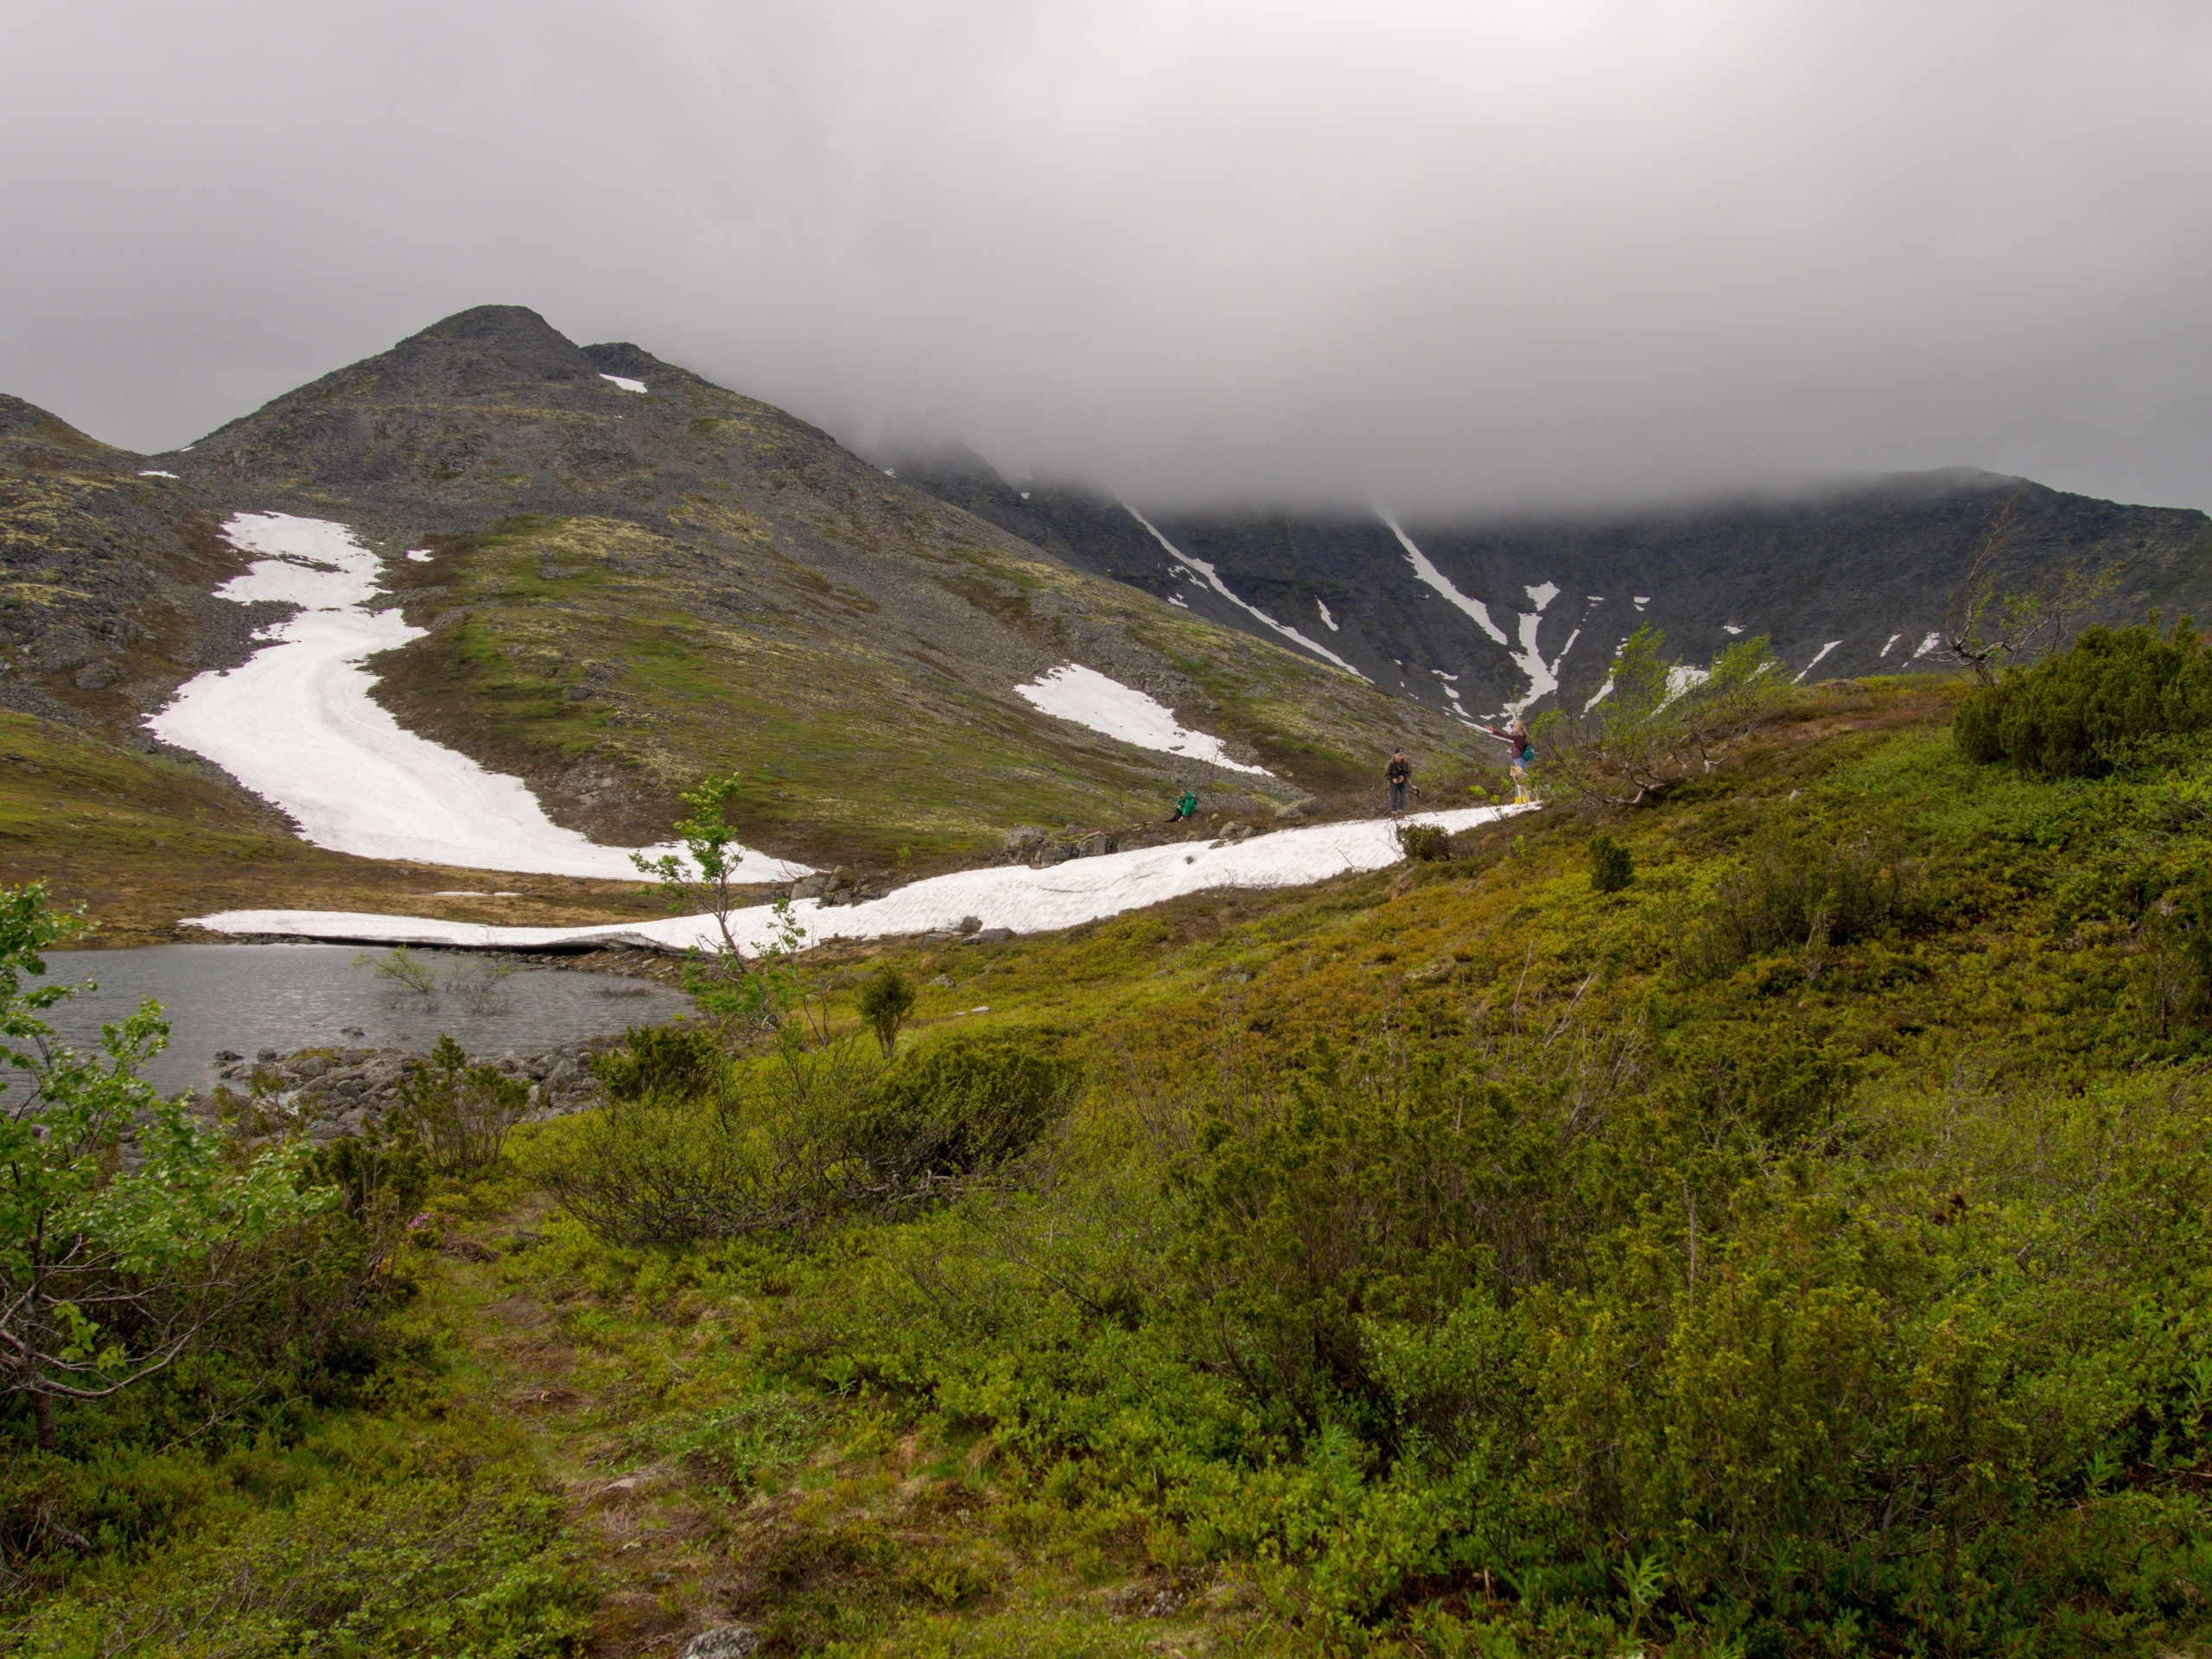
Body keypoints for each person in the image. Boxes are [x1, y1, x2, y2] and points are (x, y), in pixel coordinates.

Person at [1387, 749, 1411, 813]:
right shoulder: (1391, 763)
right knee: (1393, 798)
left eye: (1402, 754)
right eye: (1399, 754)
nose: (1401, 756)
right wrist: (1393, 779)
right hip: (1393, 783)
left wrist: (1404, 777)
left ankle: (1401, 811)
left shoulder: (1406, 763)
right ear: (1395, 755)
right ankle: (1394, 812)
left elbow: (1409, 773)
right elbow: (1387, 774)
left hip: (1403, 783)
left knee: (1404, 797)